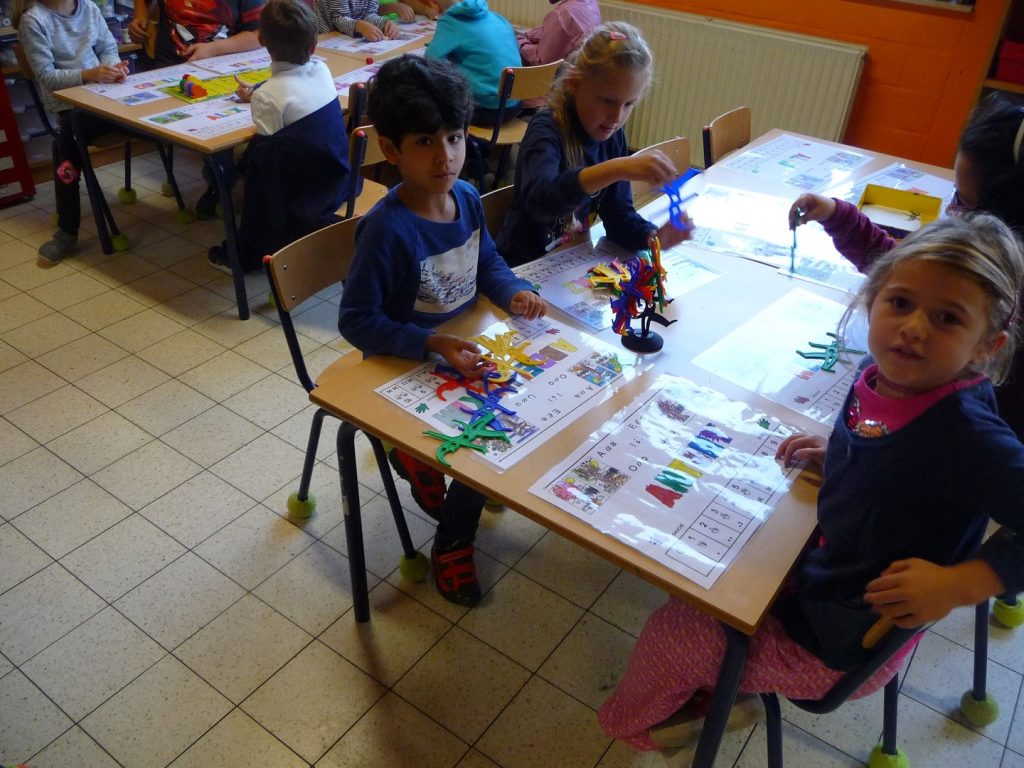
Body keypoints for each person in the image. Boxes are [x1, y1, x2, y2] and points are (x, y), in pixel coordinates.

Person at [598, 214, 1024, 756]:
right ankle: (711, 688)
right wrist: (846, 454)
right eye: (900, 303)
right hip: (828, 574)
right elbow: (899, 453)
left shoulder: (966, 435)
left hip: (840, 640)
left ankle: (637, 729)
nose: (914, 327)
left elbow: (934, 456)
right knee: (688, 561)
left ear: (986, 346)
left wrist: (959, 585)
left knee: (672, 633)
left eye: (947, 318)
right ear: (873, 299)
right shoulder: (888, 373)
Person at [337, 55, 547, 606]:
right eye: (425, 142)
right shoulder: (386, 230)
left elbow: (487, 262)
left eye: (453, 138)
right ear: (391, 150)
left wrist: (512, 291)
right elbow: (355, 321)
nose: (446, 156)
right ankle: (453, 542)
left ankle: (420, 460)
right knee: (483, 447)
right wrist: (429, 343)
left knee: (519, 415)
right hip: (400, 362)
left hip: (458, 351)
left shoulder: (468, 199)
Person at [789, 93, 1024, 435]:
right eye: (900, 302)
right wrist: (837, 215)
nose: (951, 209)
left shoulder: (971, 431)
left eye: (962, 200)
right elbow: (898, 267)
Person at [496, 22, 691, 268]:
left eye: (629, 104)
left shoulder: (612, 136)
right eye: (607, 101)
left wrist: (654, 237)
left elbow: (618, 217)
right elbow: (542, 201)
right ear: (575, 84)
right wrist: (616, 168)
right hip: (521, 269)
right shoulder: (547, 129)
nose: (617, 117)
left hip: (569, 266)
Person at [207, 0, 349, 272]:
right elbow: (294, 86)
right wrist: (260, 90)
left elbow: (266, 161)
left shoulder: (268, 97)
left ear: (261, 41)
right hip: (336, 180)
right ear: (313, 46)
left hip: (299, 196)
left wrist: (261, 94)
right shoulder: (322, 70)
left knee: (252, 158)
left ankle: (244, 252)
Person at [17, 0, 129, 266]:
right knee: (65, 151)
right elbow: (47, 76)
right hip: (71, 108)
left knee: (151, 123)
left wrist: (112, 68)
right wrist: (90, 74)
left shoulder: (88, 7)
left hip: (105, 96)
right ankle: (67, 230)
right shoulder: (34, 20)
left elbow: (108, 48)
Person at [424, 0, 520, 126]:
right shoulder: (498, 18)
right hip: (514, 104)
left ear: (435, 4)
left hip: (485, 109)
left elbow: (430, 60)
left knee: (429, 94)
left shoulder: (450, 21)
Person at [130, 0, 264, 65]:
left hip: (224, 68)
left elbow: (258, 35)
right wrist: (140, 16)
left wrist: (214, 49)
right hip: (170, 66)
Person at [516, 0, 600, 66]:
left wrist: (518, 40)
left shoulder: (562, 15)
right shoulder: (590, 3)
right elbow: (555, 29)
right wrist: (527, 35)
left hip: (555, 76)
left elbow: (540, 62)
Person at [312, 0, 399, 39]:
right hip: (328, 36)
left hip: (349, 39)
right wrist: (359, 25)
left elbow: (369, 14)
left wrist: (384, 23)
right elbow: (338, 19)